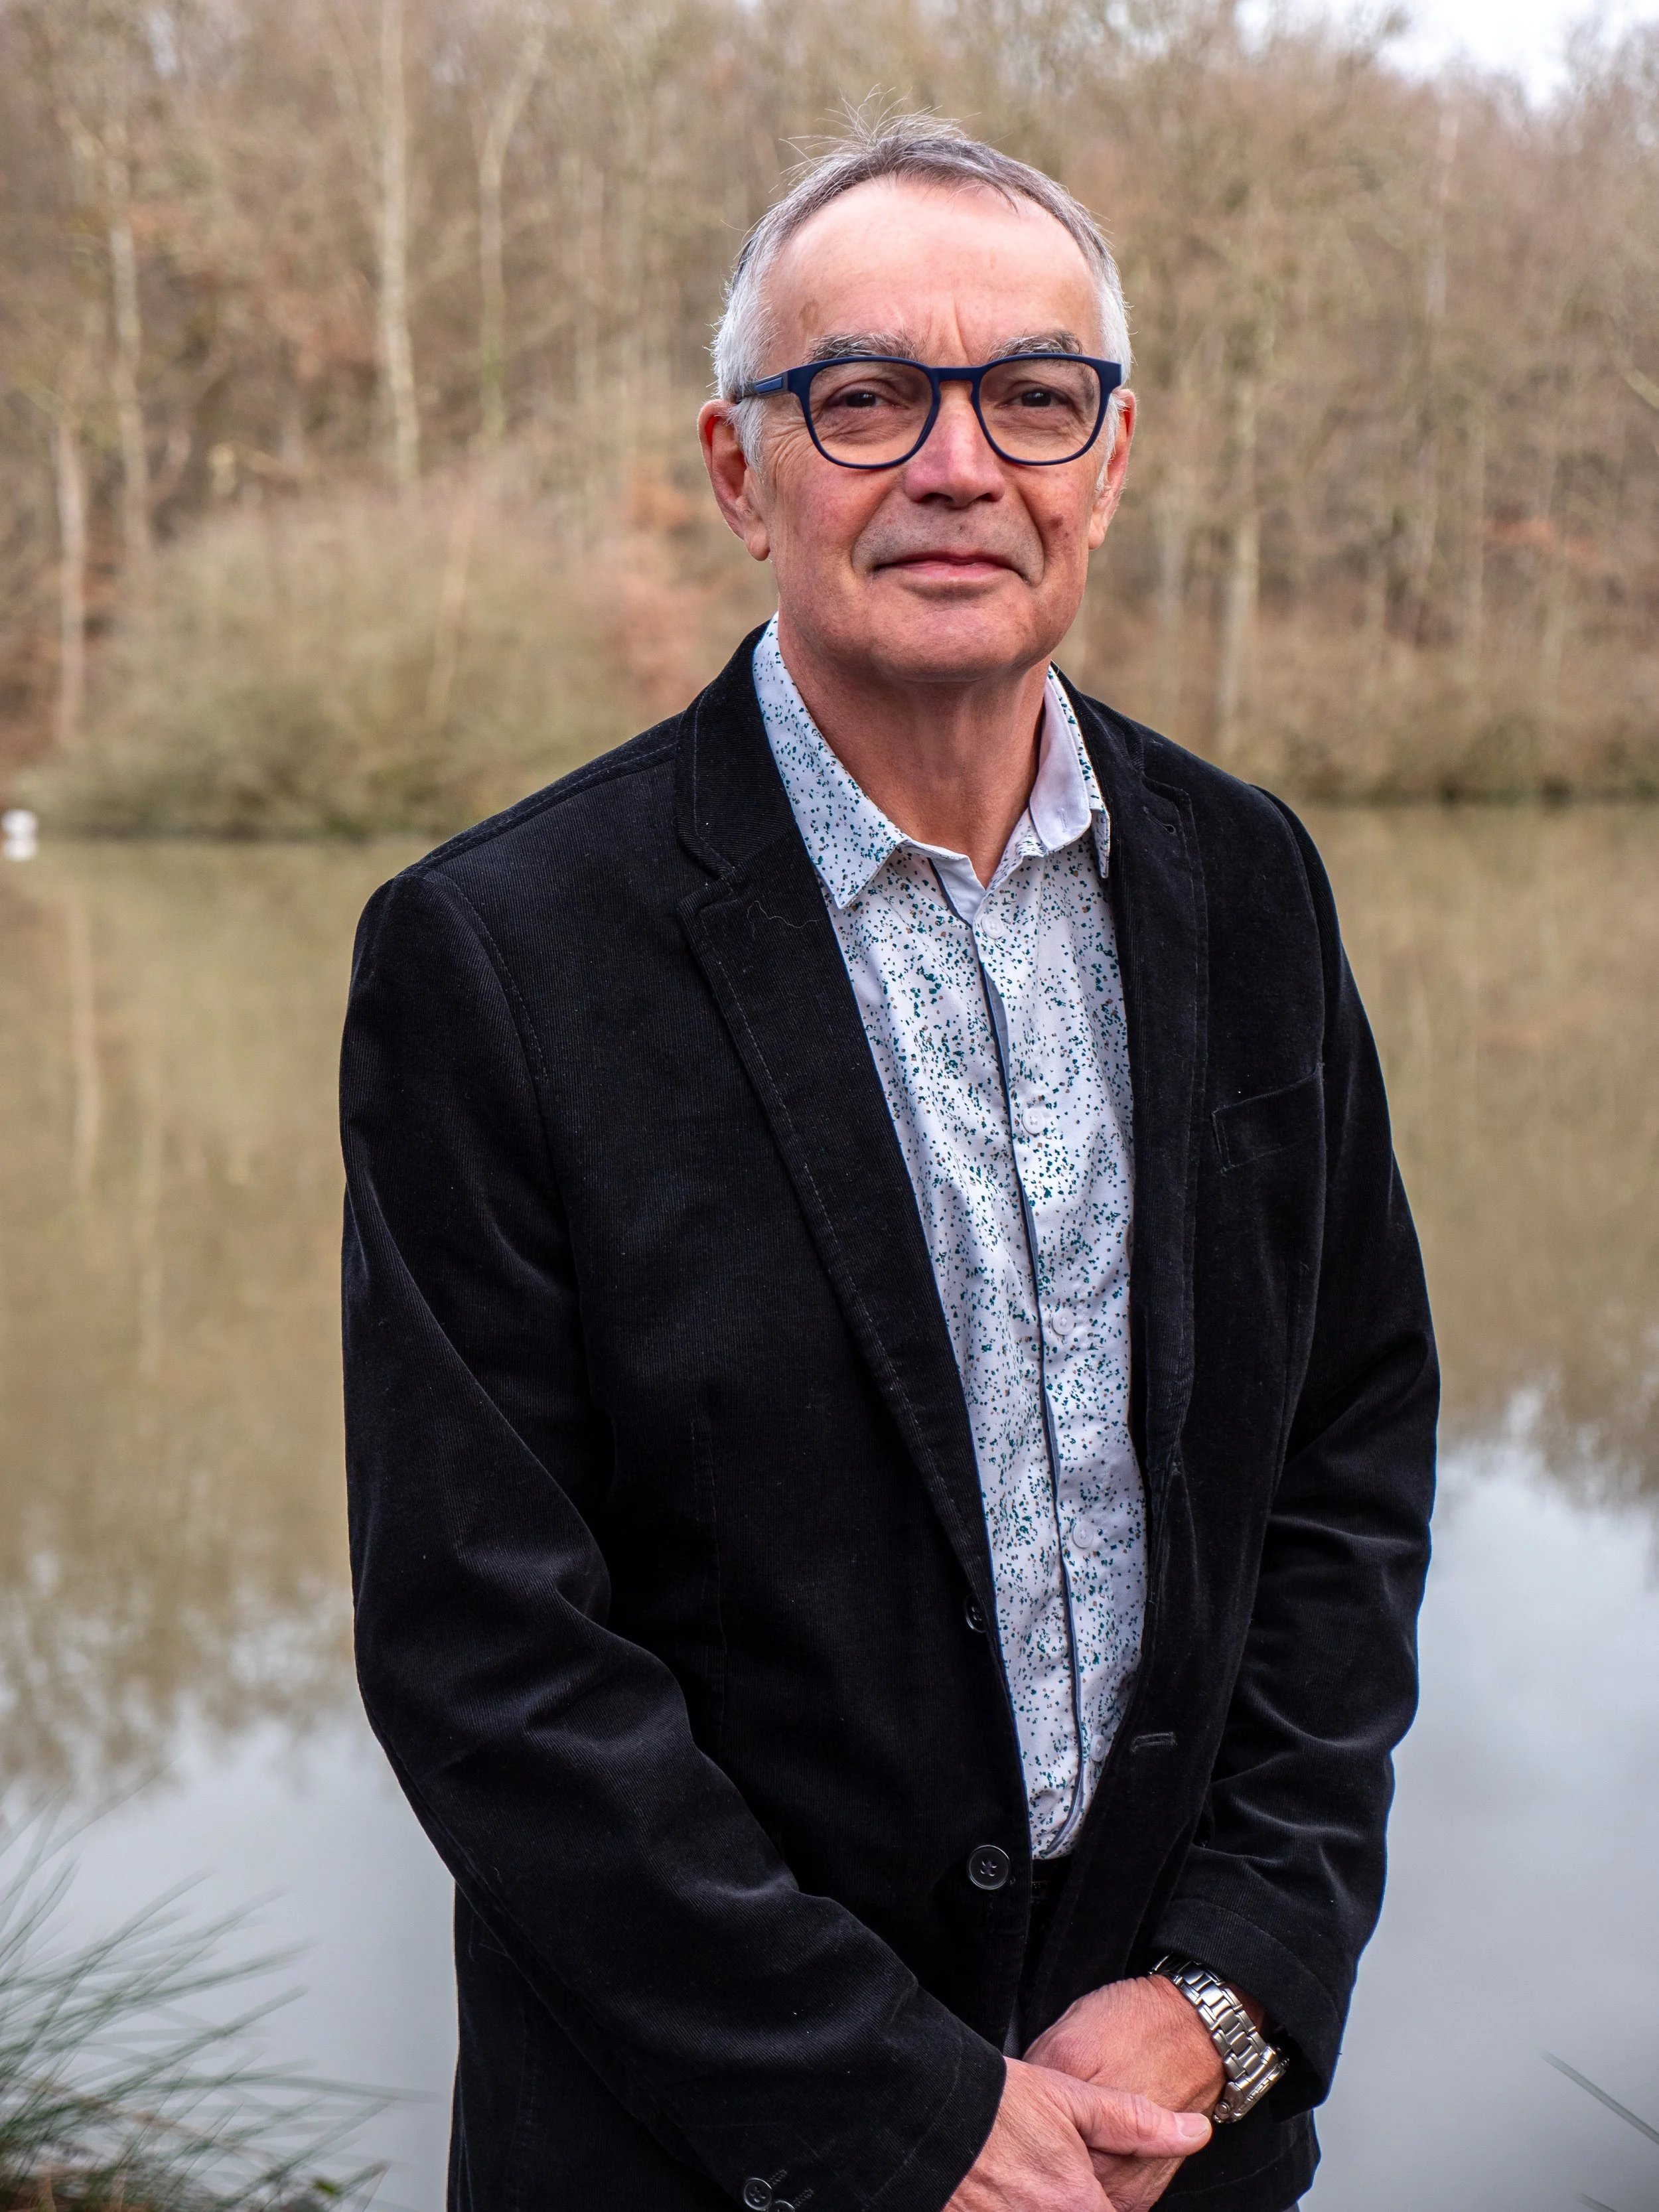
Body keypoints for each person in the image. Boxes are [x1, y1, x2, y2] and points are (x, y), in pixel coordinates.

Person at [340, 117, 1436, 2212]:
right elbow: (488, 1651)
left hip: (1164, 2142)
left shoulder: (1250, 878)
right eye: (863, 397)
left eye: (1032, 396)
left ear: (1106, 465)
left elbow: (1348, 1453)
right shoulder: (495, 953)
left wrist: (1230, 1985)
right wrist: (904, 2114)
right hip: (705, 2160)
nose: (956, 464)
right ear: (738, 469)